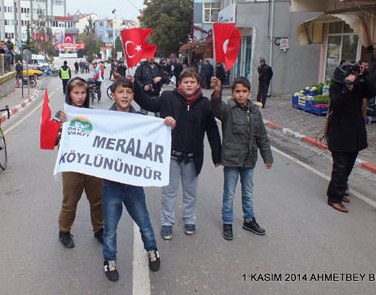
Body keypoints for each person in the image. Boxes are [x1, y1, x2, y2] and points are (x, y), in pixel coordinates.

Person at [101, 77, 175, 281]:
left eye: (128, 92)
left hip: (133, 183)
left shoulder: (143, 118)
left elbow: (158, 134)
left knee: (144, 221)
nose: (124, 96)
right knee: (110, 227)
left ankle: (152, 250)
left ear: (133, 96)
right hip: (111, 184)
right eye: (120, 92)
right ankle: (109, 260)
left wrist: (167, 125)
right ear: (113, 94)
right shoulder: (103, 119)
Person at [133, 67, 221, 239]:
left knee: (191, 192)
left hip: (192, 157)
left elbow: (212, 130)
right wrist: (134, 85)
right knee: (169, 192)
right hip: (171, 156)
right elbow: (147, 103)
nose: (189, 85)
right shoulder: (167, 98)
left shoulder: (204, 105)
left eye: (192, 82)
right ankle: (167, 222)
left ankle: (189, 220)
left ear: (197, 84)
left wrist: (217, 154)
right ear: (179, 83)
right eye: (185, 82)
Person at [210, 76, 273, 240]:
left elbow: (262, 136)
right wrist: (217, 92)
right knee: (229, 194)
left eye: (244, 91)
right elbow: (216, 108)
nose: (241, 94)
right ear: (232, 92)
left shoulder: (255, 111)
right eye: (237, 91)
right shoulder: (228, 110)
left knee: (248, 192)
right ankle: (227, 223)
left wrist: (267, 157)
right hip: (232, 160)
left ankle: (249, 220)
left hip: (249, 160)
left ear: (249, 93)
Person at [56, 78, 104, 248]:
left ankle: (99, 229)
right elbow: (53, 141)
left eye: (83, 93)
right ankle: (64, 231)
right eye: (76, 93)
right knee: (70, 201)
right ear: (69, 94)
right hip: (72, 166)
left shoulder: (94, 114)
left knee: (97, 199)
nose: (80, 96)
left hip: (92, 164)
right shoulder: (62, 115)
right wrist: (60, 124)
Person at [326, 61, 376, 213]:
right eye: (350, 72)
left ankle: (339, 191)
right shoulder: (337, 85)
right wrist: (347, 87)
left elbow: (372, 92)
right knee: (340, 167)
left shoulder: (359, 85)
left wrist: (363, 76)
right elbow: (336, 103)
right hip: (340, 132)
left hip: (354, 133)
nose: (352, 74)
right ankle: (334, 198)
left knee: (348, 166)